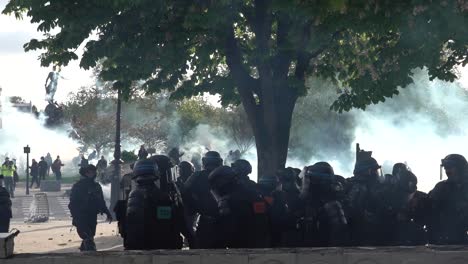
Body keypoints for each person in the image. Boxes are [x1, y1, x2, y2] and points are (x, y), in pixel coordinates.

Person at [124, 159, 193, 250]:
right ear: (156, 174)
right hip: (160, 248)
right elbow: (166, 223)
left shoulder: (132, 194)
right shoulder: (162, 197)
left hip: (135, 247)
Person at [208, 166, 271, 248]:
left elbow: (226, 228)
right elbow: (263, 217)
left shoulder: (228, 200)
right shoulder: (253, 193)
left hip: (240, 245)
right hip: (259, 242)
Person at [294, 162, 349, 247]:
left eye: (309, 179)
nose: (306, 182)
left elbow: (339, 236)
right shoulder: (310, 200)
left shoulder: (330, 203)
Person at [184, 151, 223, 248]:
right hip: (224, 222)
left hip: (205, 221)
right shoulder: (226, 175)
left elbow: (185, 193)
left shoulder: (197, 176)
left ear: (204, 162)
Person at [69, 165, 112, 251]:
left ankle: (84, 249)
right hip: (81, 215)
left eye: (94, 171)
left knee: (91, 234)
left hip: (92, 214)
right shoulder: (78, 186)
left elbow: (101, 201)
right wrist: (75, 216)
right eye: (91, 172)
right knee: (87, 236)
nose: (94, 173)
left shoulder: (96, 186)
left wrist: (107, 213)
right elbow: (73, 203)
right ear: (86, 173)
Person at [427, 154, 468, 245]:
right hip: (440, 239)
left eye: (450, 167)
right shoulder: (441, 187)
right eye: (445, 168)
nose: (447, 171)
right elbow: (428, 206)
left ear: (460, 169)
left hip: (462, 240)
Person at [345, 154, 385, 246]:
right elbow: (357, 215)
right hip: (361, 239)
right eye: (375, 171)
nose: (377, 174)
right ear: (368, 172)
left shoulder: (365, 186)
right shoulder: (359, 188)